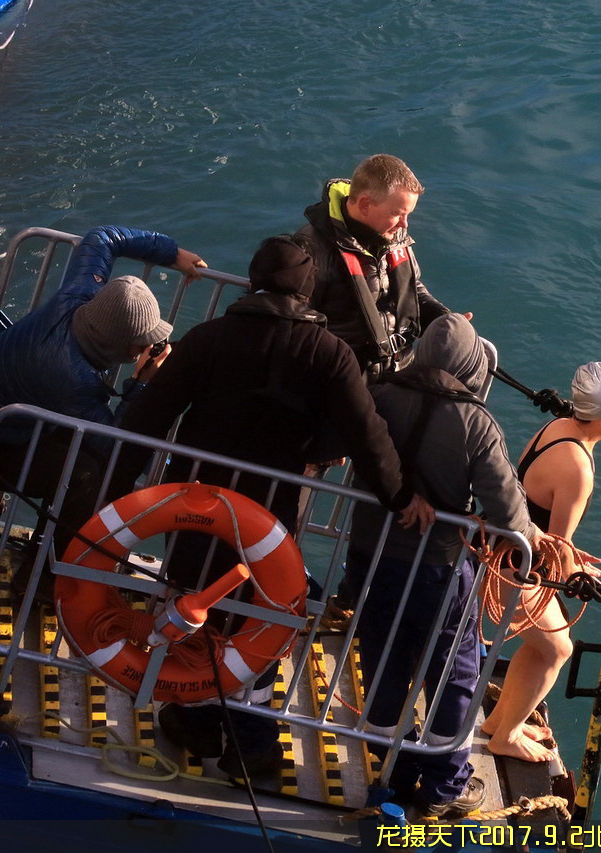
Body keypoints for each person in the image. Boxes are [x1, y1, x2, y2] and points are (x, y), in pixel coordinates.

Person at [116, 235, 432, 778]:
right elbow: (367, 433)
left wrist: (115, 491)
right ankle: (251, 745)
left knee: (194, 601)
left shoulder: (207, 338)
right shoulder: (328, 352)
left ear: (254, 281)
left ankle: (193, 719)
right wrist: (399, 495)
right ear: (307, 290)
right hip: (271, 511)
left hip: (194, 501)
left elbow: (150, 416)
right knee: (259, 620)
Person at [343, 313, 542, 819]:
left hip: (369, 557)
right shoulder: (476, 422)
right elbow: (509, 516)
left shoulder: (377, 396)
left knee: (382, 658)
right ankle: (443, 786)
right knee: (454, 671)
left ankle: (390, 771)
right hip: (437, 570)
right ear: (473, 365)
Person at [0, 224, 204, 543]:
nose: (147, 348)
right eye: (142, 342)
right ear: (119, 343)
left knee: (82, 457)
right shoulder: (71, 379)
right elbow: (115, 444)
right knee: (85, 474)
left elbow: (103, 238)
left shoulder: (78, 296)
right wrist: (140, 384)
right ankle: (48, 565)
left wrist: (171, 252)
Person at [480, 362, 601, 762]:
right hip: (511, 568)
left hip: (500, 546)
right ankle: (505, 737)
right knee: (557, 650)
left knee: (541, 646)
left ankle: (500, 721)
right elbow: (558, 549)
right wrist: (576, 571)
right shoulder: (577, 468)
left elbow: (544, 521)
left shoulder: (559, 427)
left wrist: (571, 556)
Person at [295, 153, 454, 377]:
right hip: (346, 378)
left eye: (408, 215)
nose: (404, 224)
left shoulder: (394, 235)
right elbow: (297, 327)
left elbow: (411, 288)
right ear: (364, 204)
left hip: (401, 368)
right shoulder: (310, 249)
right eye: (397, 214)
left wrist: (443, 319)